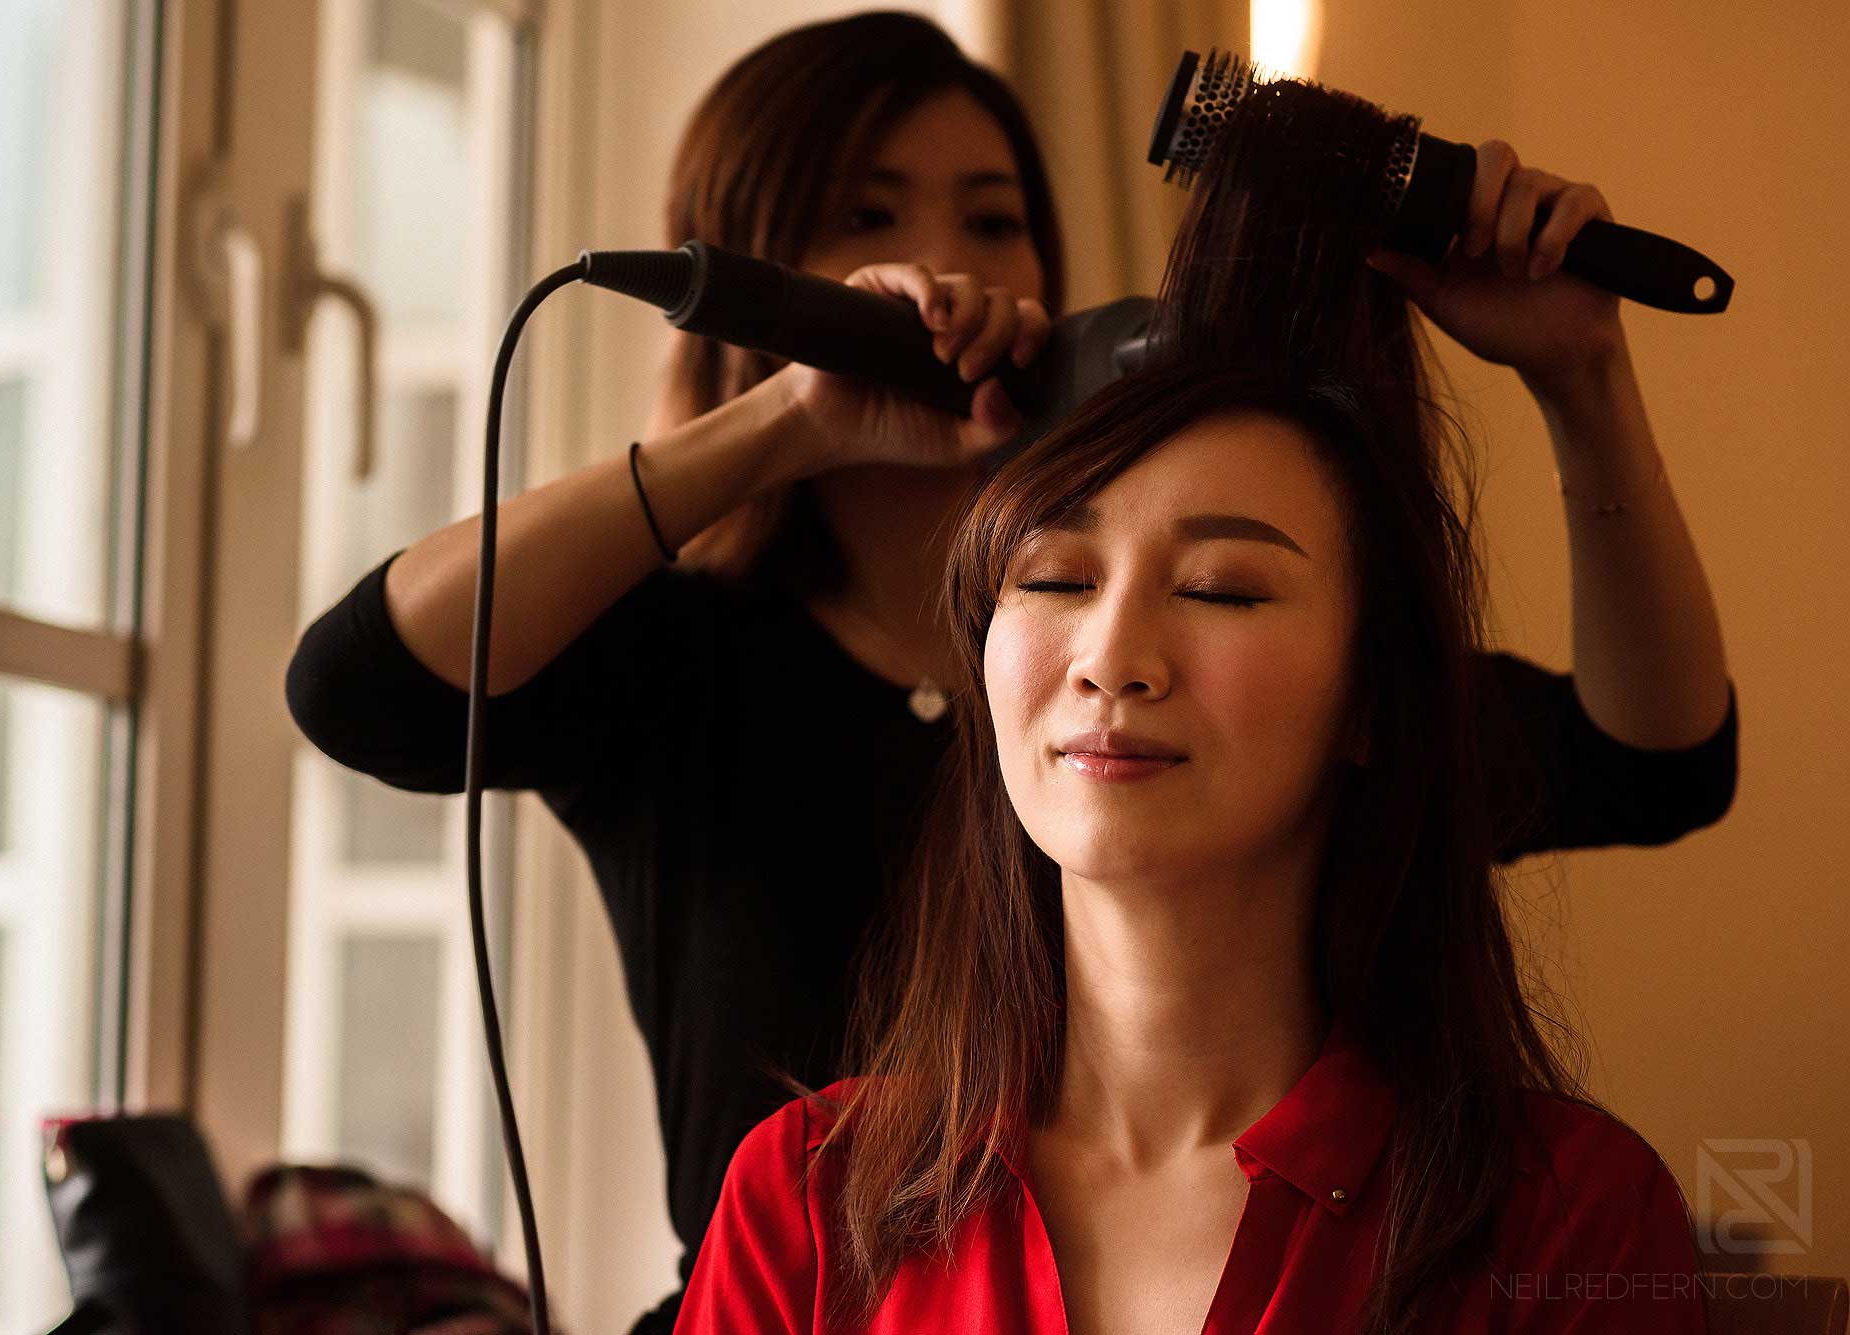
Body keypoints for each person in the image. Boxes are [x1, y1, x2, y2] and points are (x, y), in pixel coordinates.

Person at [281, 14, 1734, 1332]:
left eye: (996, 217)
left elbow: (1652, 757)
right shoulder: (687, 674)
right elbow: (363, 686)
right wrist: (783, 424)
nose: (1113, 661)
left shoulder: (1543, 1209)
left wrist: (1584, 380)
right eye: (866, 216)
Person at [673, 355, 1710, 1333]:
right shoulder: (807, 1198)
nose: (1111, 660)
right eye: (1052, 579)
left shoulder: (1566, 1217)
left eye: (1221, 589)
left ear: (1369, 702)